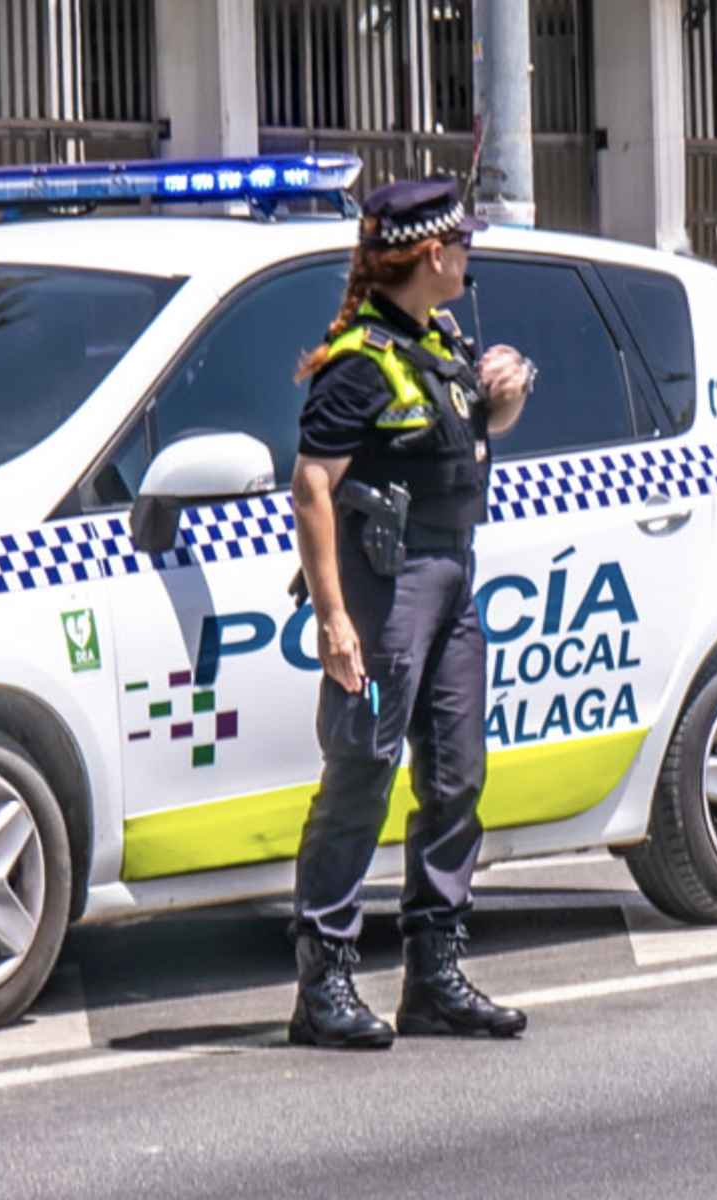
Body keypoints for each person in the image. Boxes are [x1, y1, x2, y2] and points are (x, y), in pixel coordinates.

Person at [285, 176, 536, 1049]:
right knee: (361, 773)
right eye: (461, 243)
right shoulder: (358, 359)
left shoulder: (440, 340)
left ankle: (432, 976)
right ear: (432, 254)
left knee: (456, 774)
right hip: (386, 586)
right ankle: (323, 985)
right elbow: (313, 485)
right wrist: (333, 616)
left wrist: (506, 387)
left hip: (451, 577)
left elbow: (466, 435)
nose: (468, 255)